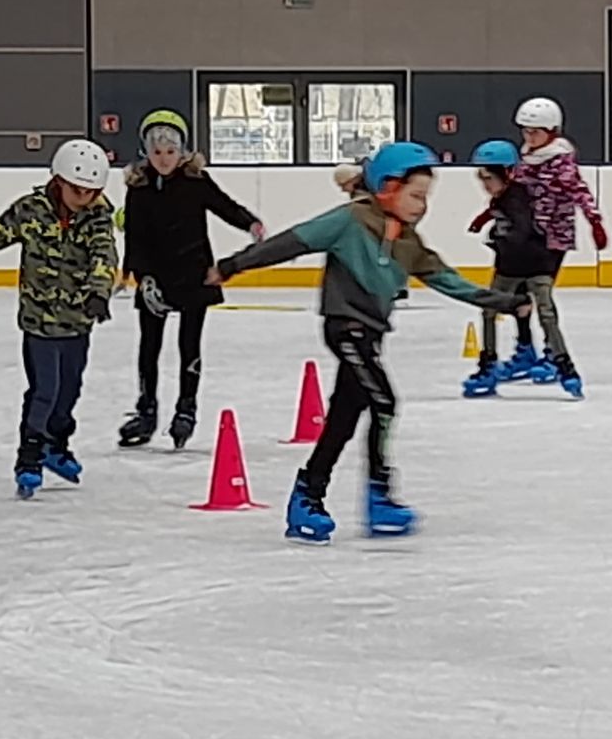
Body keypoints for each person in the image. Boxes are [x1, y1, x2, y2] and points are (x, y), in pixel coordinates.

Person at [210, 142, 527, 542]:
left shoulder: (408, 243)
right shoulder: (349, 220)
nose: (421, 206)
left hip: (370, 334)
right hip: (345, 328)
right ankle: (379, 494)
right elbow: (291, 242)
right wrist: (232, 265)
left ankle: (308, 496)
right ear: (387, 188)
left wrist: (507, 302)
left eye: (425, 198)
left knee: (343, 418)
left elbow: (451, 282)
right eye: (415, 196)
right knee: (383, 400)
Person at [0, 139, 120, 498]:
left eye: (91, 192)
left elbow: (104, 254)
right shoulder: (30, 211)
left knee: (69, 392)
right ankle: (30, 456)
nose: (84, 198)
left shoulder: (97, 216)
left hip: (77, 322)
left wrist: (99, 293)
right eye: (77, 190)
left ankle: (56, 444)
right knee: (44, 391)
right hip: (38, 323)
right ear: (59, 181)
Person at [116, 108, 263, 449]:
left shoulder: (196, 181)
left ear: (182, 151)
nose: (164, 159)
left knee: (189, 345)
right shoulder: (138, 188)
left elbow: (224, 205)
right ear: (145, 153)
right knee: (149, 347)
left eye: (170, 152)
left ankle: (186, 409)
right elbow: (135, 235)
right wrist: (135, 274)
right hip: (155, 278)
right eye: (156, 152)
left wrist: (250, 223)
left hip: (195, 275)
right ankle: (147, 410)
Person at [510, 96, 607, 396]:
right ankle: (525, 349)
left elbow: (580, 192)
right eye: (525, 131)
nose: (529, 137)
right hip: (525, 236)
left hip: (553, 238)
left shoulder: (560, 161)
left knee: (541, 297)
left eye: (535, 131)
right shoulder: (525, 157)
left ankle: (553, 354)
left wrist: (595, 221)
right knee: (517, 295)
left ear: (551, 131)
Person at [463, 139, 552, 397]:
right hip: (515, 260)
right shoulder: (505, 196)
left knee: (528, 305)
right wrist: (484, 222)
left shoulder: (519, 198)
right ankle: (526, 351)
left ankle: (551, 357)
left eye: (487, 177)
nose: (483, 184)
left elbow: (522, 229)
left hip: (529, 260)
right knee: (521, 303)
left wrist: (500, 240)